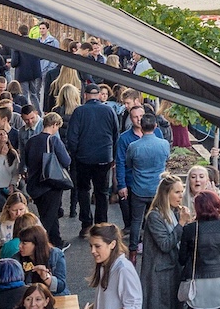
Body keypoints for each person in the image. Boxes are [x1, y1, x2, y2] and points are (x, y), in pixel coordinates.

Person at [141, 176, 191, 309]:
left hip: (173, 271)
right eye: (177, 192)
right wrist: (181, 224)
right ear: (166, 194)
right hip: (159, 274)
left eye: (181, 192)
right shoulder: (154, 216)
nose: (181, 196)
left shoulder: (173, 212)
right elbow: (165, 244)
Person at [63, 93, 119, 236]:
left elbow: (72, 136)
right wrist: (112, 155)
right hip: (104, 157)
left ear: (85, 95)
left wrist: (75, 153)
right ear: (99, 95)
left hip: (83, 157)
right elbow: (115, 134)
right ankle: (101, 223)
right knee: (102, 192)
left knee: (83, 190)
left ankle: (86, 223)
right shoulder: (108, 110)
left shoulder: (79, 111)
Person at [116, 112, 169, 251]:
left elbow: (128, 163)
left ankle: (133, 249)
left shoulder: (133, 146)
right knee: (158, 218)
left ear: (142, 126)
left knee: (136, 221)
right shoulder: (164, 144)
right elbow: (166, 159)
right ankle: (154, 247)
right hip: (157, 189)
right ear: (155, 126)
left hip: (139, 188)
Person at [24, 111, 73, 248]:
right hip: (50, 184)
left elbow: (27, 161)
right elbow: (66, 160)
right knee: (47, 219)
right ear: (55, 124)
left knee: (51, 214)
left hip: (34, 184)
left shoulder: (31, 141)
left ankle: (56, 241)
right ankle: (37, 245)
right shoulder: (53, 140)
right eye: (57, 126)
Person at [17, 225, 68, 294]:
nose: (19, 246)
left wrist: (46, 277)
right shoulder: (17, 259)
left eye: (24, 243)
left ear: (36, 244)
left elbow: (61, 286)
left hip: (54, 296)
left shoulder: (56, 255)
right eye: (20, 242)